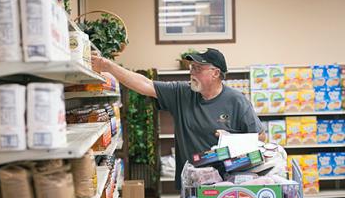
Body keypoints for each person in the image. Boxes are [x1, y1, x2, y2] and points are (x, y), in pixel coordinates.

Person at [92, 48, 265, 190]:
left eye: (198, 68)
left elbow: (261, 138)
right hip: (191, 184)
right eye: (192, 67)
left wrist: (230, 139)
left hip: (227, 185)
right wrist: (108, 66)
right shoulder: (182, 93)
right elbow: (145, 84)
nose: (192, 72)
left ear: (215, 73)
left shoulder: (237, 101)